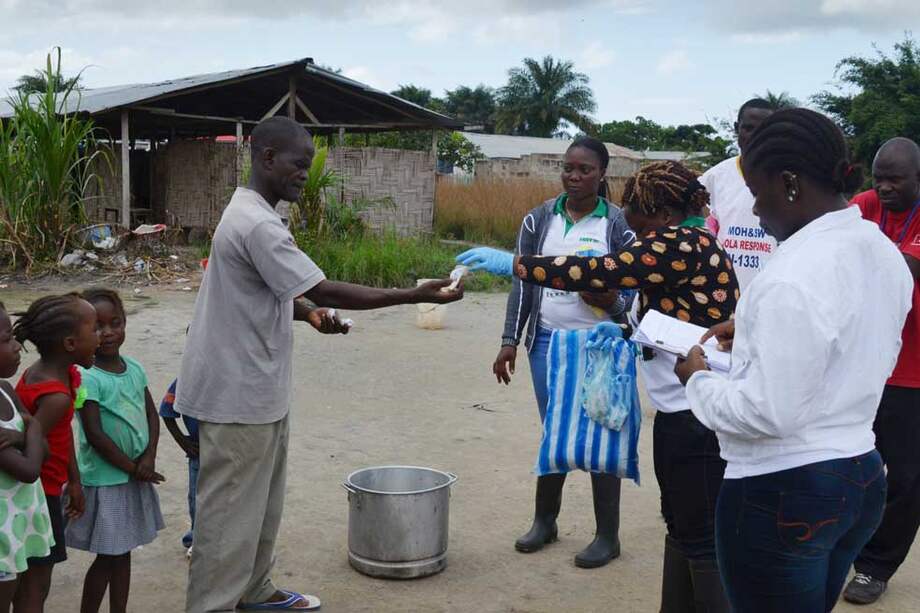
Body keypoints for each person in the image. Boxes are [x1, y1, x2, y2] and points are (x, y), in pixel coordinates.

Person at [176, 115, 463, 613]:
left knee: (260, 506)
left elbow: (281, 293)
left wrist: (307, 315)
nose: (305, 174)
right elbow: (322, 287)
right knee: (227, 519)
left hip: (257, 391)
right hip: (236, 395)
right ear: (267, 158)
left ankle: (255, 591)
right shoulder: (257, 223)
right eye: (299, 163)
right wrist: (409, 294)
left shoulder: (256, 213)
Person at [467, 160, 740, 611]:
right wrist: (627, 326)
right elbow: (663, 312)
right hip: (681, 408)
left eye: (637, 212)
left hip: (699, 414)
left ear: (667, 216)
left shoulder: (681, 243)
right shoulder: (686, 242)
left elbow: (598, 270)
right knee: (682, 526)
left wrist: (515, 265)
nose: (629, 219)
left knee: (701, 537)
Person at [675, 108, 913, 612]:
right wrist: (757, 332)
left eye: (758, 193)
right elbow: (855, 341)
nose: (755, 211)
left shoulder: (792, 274)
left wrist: (697, 381)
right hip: (861, 474)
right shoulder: (879, 248)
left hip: (785, 489)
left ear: (788, 184)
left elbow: (768, 412)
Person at [459, 137, 636, 568]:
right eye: (568, 168)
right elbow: (523, 282)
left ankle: (607, 536)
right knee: (553, 429)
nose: (574, 177)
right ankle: (545, 521)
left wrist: (607, 300)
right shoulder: (539, 220)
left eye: (585, 170)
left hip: (600, 347)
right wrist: (509, 341)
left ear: (602, 174)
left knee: (603, 433)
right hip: (547, 344)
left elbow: (630, 294)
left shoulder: (617, 225)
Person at [842, 137, 920, 605]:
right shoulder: (865, 204)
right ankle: (841, 545)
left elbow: (903, 270)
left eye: (897, 179)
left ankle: (875, 567)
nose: (885, 188)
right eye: (879, 177)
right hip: (863, 363)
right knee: (846, 459)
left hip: (912, 372)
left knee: (907, 477)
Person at [66, 289, 166, 613]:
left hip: (134, 474)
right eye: (97, 326)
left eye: (115, 323)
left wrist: (149, 456)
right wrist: (132, 467)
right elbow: (94, 433)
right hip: (109, 480)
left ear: (125, 323)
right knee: (109, 556)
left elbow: (151, 413)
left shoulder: (134, 368)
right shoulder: (85, 376)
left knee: (122, 553)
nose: (107, 333)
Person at [12, 293, 97, 612]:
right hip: (39, 495)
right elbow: (32, 441)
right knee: (37, 580)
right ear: (71, 344)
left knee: (31, 576)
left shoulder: (55, 375)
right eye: (95, 329)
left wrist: (73, 480)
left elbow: (62, 437)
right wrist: (62, 483)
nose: (100, 336)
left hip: (49, 486)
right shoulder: (55, 395)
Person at [0, 302, 54, 611]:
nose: (18, 345)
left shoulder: (6, 389)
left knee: (22, 591)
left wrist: (26, 434)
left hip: (18, 523)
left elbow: (43, 450)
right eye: (7, 338)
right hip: (1, 533)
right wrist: (32, 428)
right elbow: (29, 469)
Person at [700, 98, 777, 291]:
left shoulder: (788, 178)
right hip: (722, 295)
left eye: (764, 131)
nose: (756, 137)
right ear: (737, 128)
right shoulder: (714, 178)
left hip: (770, 294)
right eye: (749, 129)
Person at [159, 377, 198, 558]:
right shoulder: (187, 378)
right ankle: (197, 539)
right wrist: (183, 442)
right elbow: (167, 411)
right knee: (198, 499)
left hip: (229, 451)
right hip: (200, 453)